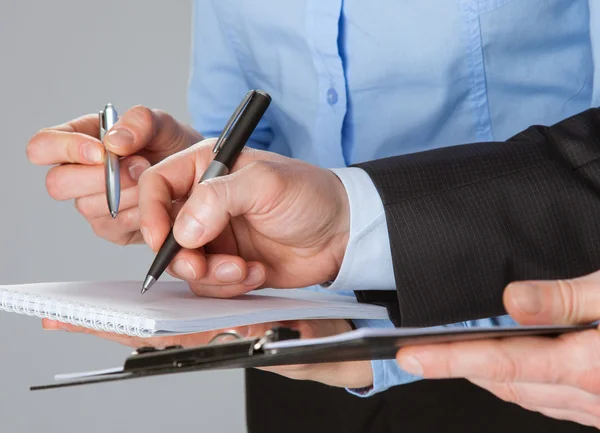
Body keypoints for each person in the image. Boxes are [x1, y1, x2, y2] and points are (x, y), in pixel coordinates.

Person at [25, 0, 599, 431]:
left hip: (543, 365)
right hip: (301, 358)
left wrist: (351, 222)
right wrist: (194, 182)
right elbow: (246, 127)